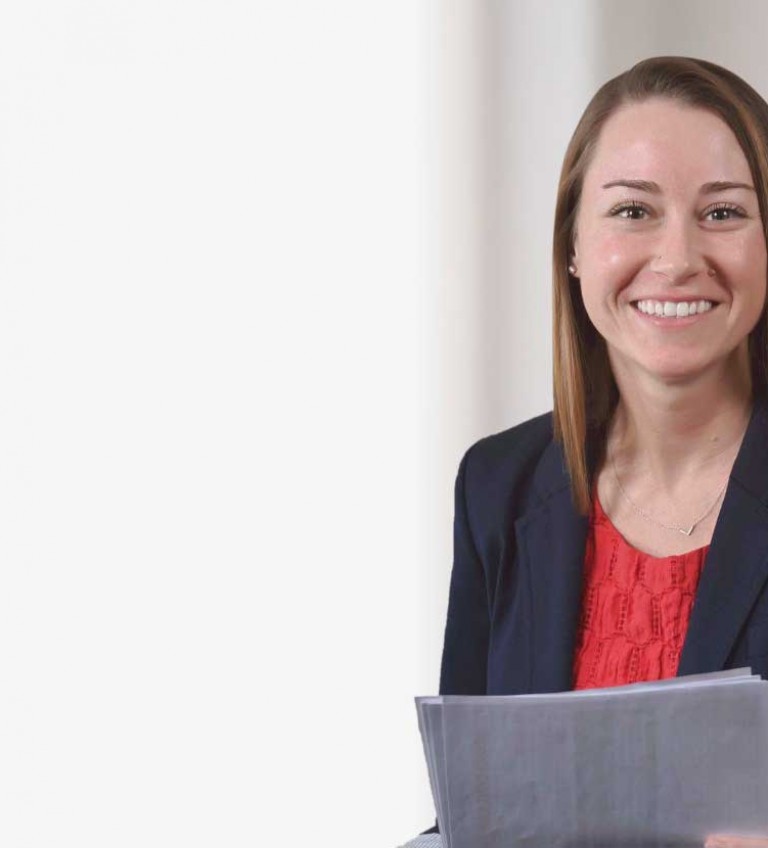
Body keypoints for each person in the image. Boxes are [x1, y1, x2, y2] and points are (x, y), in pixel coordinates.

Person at [421, 56, 768, 848]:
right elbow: (469, 823)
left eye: (722, 214)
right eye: (633, 211)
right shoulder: (498, 489)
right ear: (573, 247)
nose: (677, 257)